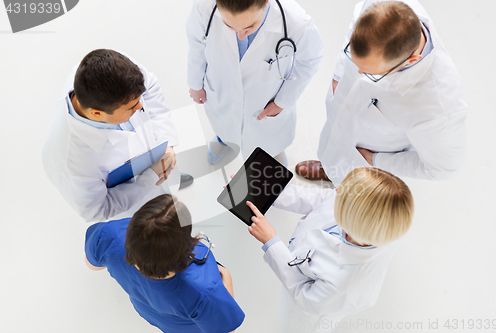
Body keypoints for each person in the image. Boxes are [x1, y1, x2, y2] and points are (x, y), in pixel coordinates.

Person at [296, 0, 467, 185]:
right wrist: (339, 75)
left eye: (371, 72)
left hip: (363, 160)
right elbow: (355, 24)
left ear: (411, 61)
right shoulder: (382, 5)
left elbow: (442, 169)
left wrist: (375, 160)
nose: (359, 73)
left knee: (347, 195)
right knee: (331, 148)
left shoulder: (438, 107)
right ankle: (328, 168)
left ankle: (337, 175)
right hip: (340, 119)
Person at [246, 167, 414, 333]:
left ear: (351, 218)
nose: (337, 189)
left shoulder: (344, 282)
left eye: (341, 195)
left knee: (297, 325)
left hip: (313, 310)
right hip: (309, 267)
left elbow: (305, 297)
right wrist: (269, 192)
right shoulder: (370, 222)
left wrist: (271, 242)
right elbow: (318, 199)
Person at [42, 49, 193, 222]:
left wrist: (166, 143)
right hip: (138, 208)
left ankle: (169, 184)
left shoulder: (112, 70)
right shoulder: (69, 162)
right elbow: (100, 209)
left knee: (169, 190)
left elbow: (149, 85)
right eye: (131, 107)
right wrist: (150, 178)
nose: (140, 106)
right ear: (97, 114)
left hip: (157, 159)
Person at [186, 0, 323, 164]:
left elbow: (310, 60)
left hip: (267, 100)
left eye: (249, 27)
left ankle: (273, 152)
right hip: (221, 88)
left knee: (270, 140)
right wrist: (195, 83)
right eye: (229, 26)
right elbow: (196, 44)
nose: (240, 35)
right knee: (224, 121)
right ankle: (225, 139)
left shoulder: (296, 22)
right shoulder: (203, 8)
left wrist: (282, 102)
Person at [85, 194, 245, 333]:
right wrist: (226, 277)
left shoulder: (108, 235)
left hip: (146, 309)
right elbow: (226, 329)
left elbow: (92, 264)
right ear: (184, 246)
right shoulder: (204, 289)